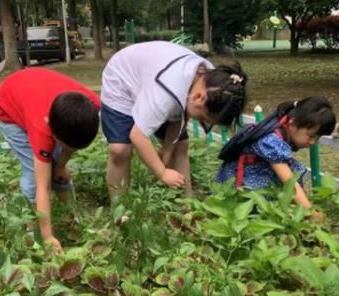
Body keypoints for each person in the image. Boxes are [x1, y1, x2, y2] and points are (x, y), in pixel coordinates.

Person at [101, 41, 248, 197]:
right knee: (120, 150)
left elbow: (179, 116)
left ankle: (187, 207)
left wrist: (167, 149)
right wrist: (162, 172)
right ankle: (120, 209)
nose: (196, 120)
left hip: (155, 77)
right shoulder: (164, 95)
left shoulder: (216, 85)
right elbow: (138, 136)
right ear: (198, 97)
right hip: (122, 79)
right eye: (200, 117)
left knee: (181, 144)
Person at [0, 67, 101, 252]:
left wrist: (61, 165)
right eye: (66, 146)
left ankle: (70, 216)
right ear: (51, 128)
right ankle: (30, 226)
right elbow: (42, 186)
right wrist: (47, 236)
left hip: (34, 91)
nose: (70, 150)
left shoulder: (91, 105)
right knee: (34, 174)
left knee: (57, 169)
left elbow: (71, 143)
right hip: (8, 108)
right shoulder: (42, 130)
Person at [216, 97, 336, 211]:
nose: (313, 142)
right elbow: (290, 184)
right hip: (242, 190)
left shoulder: (281, 124)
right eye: (311, 136)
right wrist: (310, 212)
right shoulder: (271, 142)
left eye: (318, 137)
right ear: (293, 124)